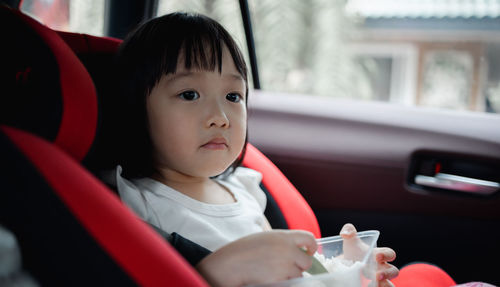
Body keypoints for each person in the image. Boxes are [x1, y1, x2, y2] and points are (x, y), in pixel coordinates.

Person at [107, 12, 399, 286]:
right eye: (189, 94)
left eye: (233, 96)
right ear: (135, 111)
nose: (220, 118)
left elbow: (293, 271)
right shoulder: (138, 205)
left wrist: (349, 269)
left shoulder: (244, 190)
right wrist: (221, 269)